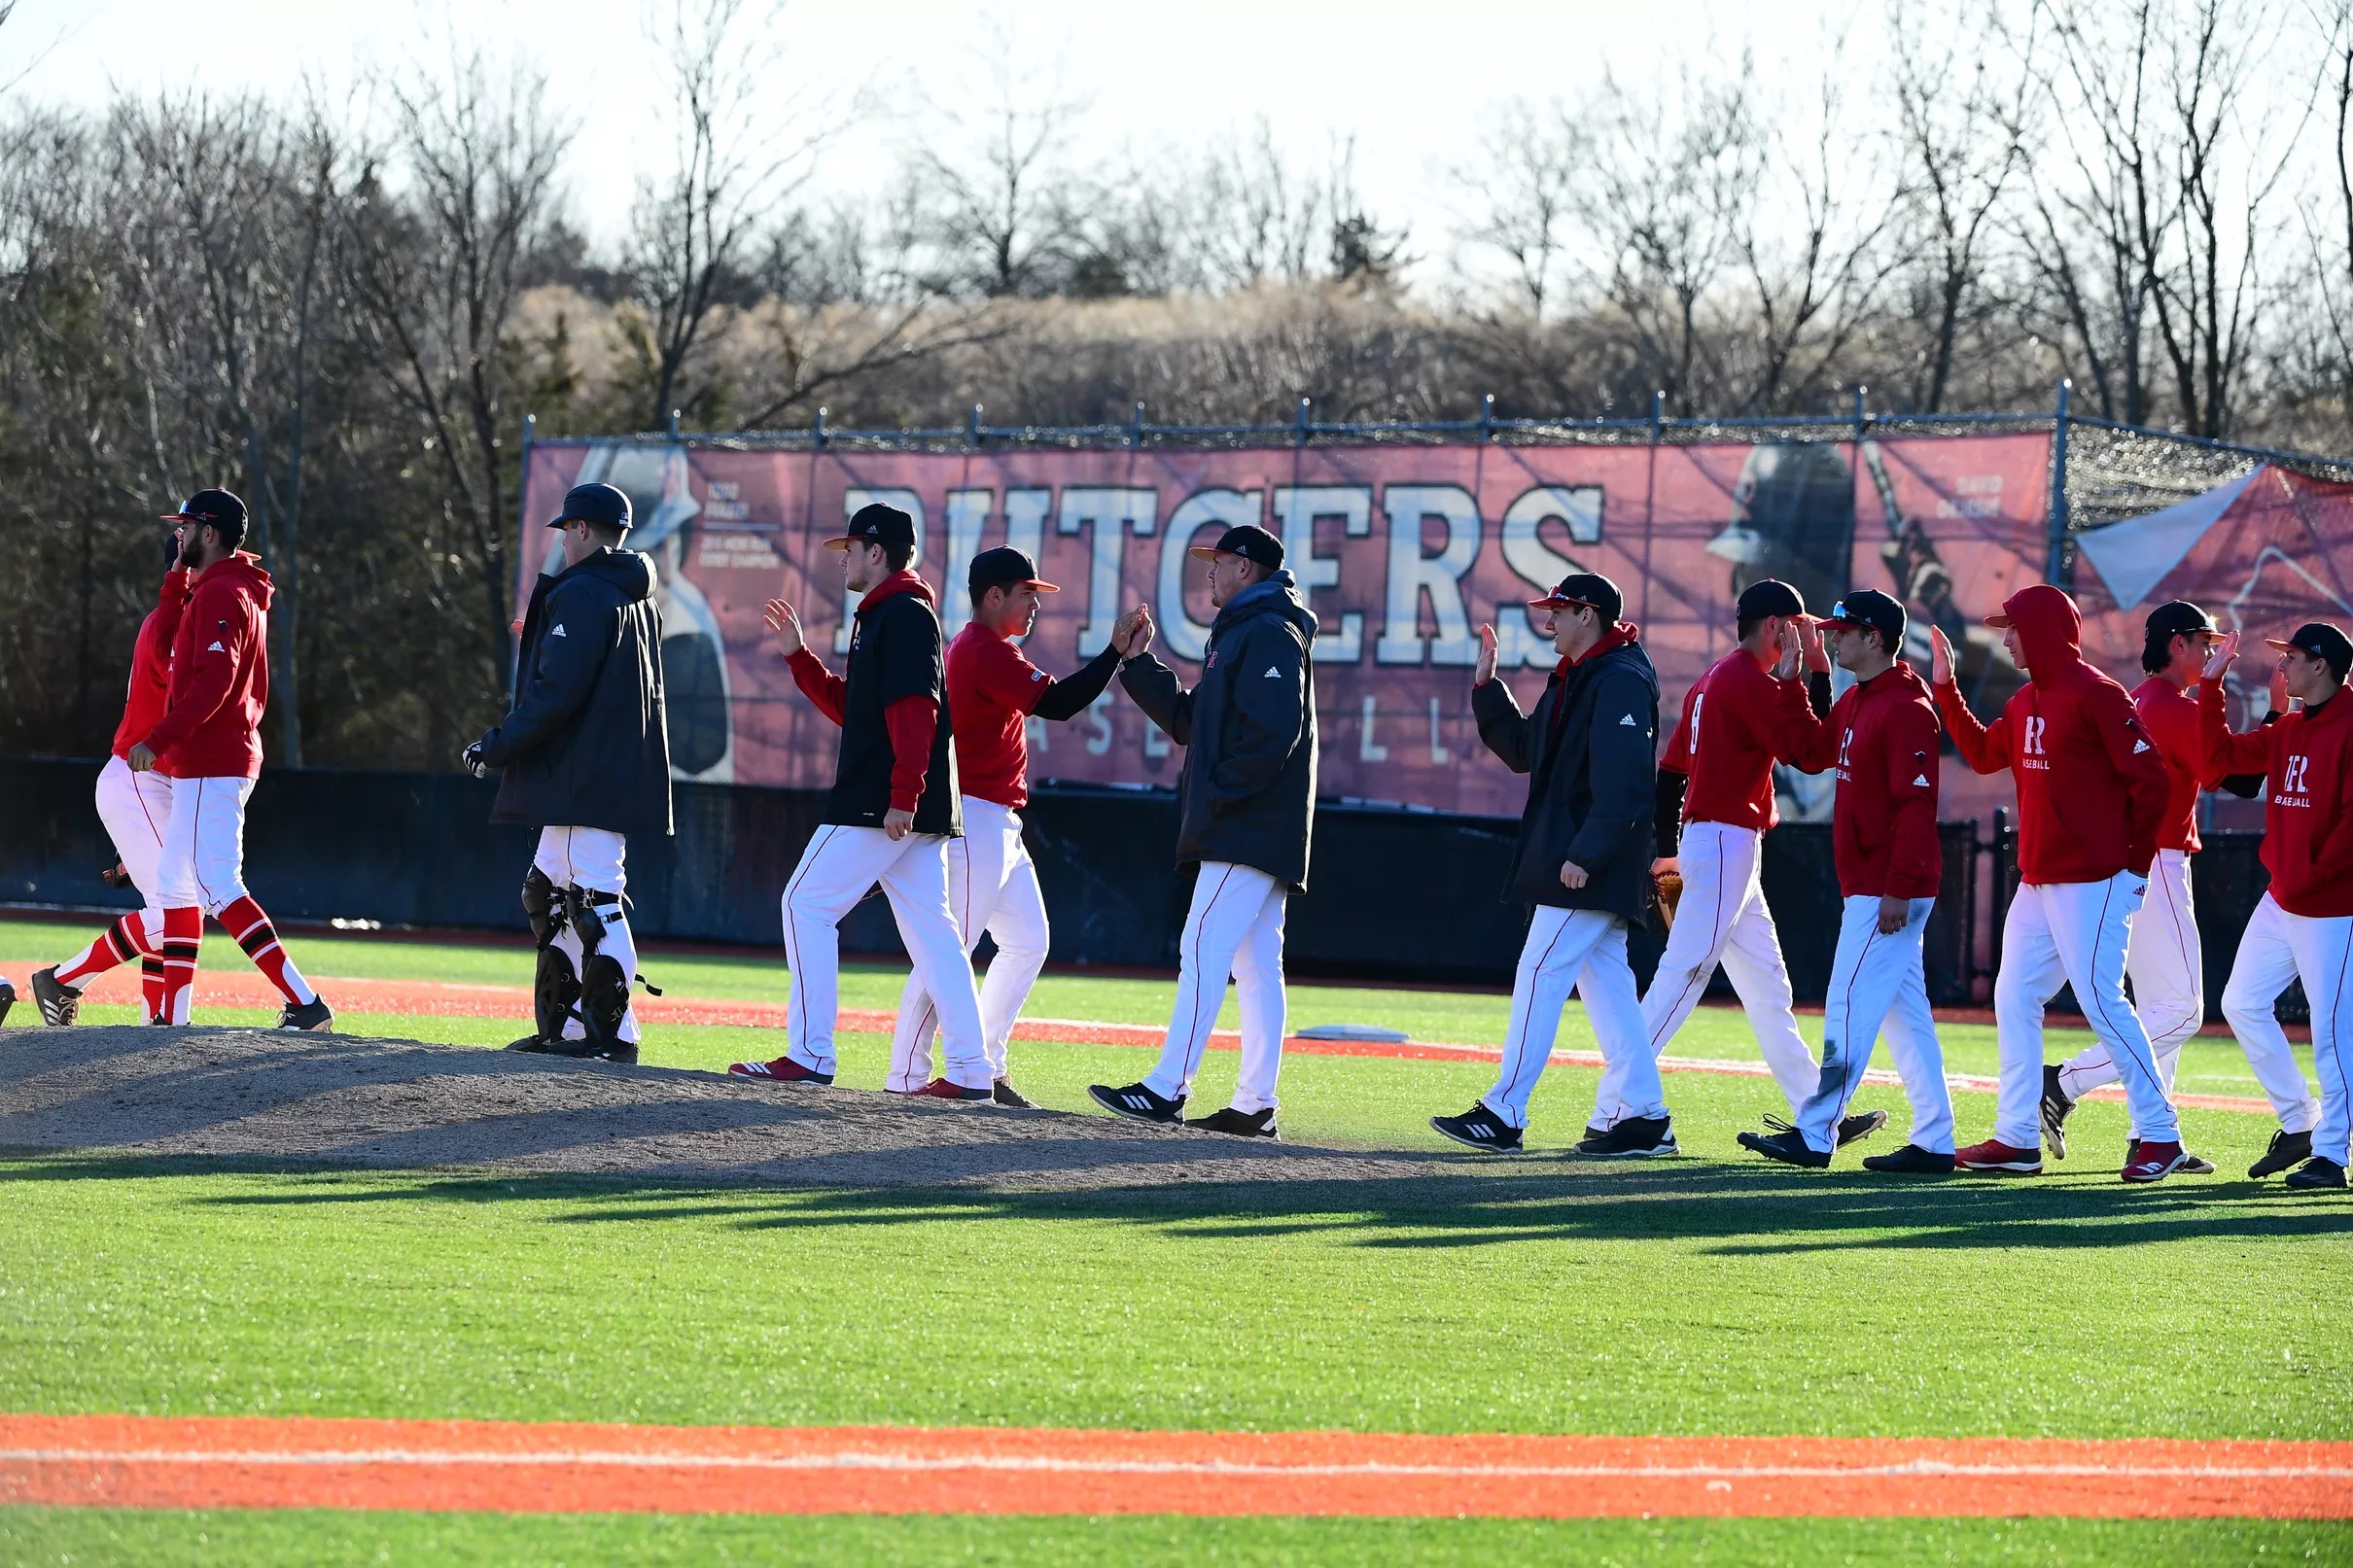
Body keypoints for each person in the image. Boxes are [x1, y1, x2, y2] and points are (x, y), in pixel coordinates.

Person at [728, 502, 995, 1100]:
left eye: (851, 548)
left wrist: (904, 793)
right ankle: (974, 1071)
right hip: (908, 804)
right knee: (935, 937)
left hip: (885, 801)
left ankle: (810, 1054)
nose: (843, 557)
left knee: (804, 904)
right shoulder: (886, 612)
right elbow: (859, 712)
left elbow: (916, 709)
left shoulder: (900, 611)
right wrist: (800, 658)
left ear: (878, 553)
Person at [1928, 583, 2188, 1181]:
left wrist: (2132, 869)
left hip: (2095, 879)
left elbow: (2153, 782)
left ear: (2043, 630)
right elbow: (1983, 754)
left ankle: (2161, 1134)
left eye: (2015, 628)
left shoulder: (2097, 693)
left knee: (2101, 999)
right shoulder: (2025, 701)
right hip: (2039, 879)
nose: (2008, 639)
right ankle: (2018, 1140)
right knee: (2014, 997)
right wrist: (1945, 688)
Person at [1632, 579, 1885, 1152]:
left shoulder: (1716, 676)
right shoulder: (1747, 679)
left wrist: (1668, 845)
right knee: (1686, 972)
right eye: (1797, 624)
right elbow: (1811, 750)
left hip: (1723, 842)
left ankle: (1815, 1112)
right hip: (1725, 840)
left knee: (1769, 989)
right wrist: (1815, 676)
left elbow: (1671, 771)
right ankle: (1620, 1107)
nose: (1807, 634)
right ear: (1775, 627)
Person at [1087, 523, 1317, 1138]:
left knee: (1202, 946)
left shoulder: (1268, 628)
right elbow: (1191, 721)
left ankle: (1167, 1088)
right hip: (1254, 824)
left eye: (1217, 562)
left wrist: (1220, 798)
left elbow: (1275, 732)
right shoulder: (1246, 629)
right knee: (1257, 962)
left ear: (1247, 568)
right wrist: (1138, 665)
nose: (1208, 572)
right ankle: (1255, 1104)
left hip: (1246, 825)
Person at [1429, 573, 1668, 1155]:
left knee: (1539, 972)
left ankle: (1505, 1111)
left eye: (1557, 610)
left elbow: (1629, 786)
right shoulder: (1579, 676)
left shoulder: (1620, 678)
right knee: (1609, 989)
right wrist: (1489, 689)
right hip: (1578, 857)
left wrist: (1586, 854)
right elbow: (1524, 751)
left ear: (1588, 615)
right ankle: (1645, 1116)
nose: (1548, 620)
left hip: (1591, 861)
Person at [887, 546, 1130, 1106]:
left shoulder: (987, 649)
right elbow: (1062, 703)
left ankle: (986, 1066)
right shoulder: (984, 649)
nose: (1035, 605)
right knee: (950, 948)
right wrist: (1115, 651)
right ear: (993, 595)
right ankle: (908, 1077)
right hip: (973, 816)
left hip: (998, 820)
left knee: (1027, 942)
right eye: (1027, 593)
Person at [1734, 589, 1956, 1172]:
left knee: (1849, 1005)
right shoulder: (1862, 698)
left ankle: (1814, 1133)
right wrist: (1790, 680)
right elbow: (1808, 752)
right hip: (1873, 882)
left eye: (1843, 629)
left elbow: (1916, 806)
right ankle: (1935, 1140)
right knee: (1907, 1021)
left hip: (1889, 886)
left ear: (1874, 637)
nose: (1831, 637)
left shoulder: (1907, 705)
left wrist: (1899, 887)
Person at [101, 490, 330, 1030]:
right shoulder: (222, 588)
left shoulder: (224, 592)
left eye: (185, 528)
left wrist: (159, 739)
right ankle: (171, 1019)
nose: (177, 536)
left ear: (209, 532)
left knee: (217, 885)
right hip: (209, 760)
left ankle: (304, 1000)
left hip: (212, 757)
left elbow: (214, 683)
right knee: (179, 886)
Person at [466, 481, 672, 1065]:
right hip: (595, 769)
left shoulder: (585, 593)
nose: (561, 542)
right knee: (550, 891)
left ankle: (617, 1034)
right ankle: (574, 1031)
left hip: (587, 772)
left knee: (595, 897)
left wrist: (497, 744)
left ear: (581, 529)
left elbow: (558, 692)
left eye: (565, 531)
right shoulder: (630, 594)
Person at [2040, 601, 2250, 1172]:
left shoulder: (2135, 698)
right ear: (2176, 645)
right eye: (2203, 643)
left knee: (2159, 1007)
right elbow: (2236, 777)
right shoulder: (2170, 706)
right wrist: (2270, 710)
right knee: (2183, 1012)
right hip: (2155, 859)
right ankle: (2063, 1081)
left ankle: (2151, 1136)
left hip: (2125, 857)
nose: (2209, 653)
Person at [2197, 624, 2348, 1189]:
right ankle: (2301, 1122)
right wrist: (2211, 689)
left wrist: (2310, 878)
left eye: (2293, 659)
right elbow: (2218, 765)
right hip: (2285, 898)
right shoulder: (2287, 728)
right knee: (2240, 1002)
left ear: (2323, 665)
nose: (2282, 668)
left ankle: (2333, 1155)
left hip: (2334, 907)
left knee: (2335, 1034)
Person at [28, 524, 191, 1025]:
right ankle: (63, 980)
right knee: (176, 912)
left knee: (171, 911)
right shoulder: (175, 621)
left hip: (146, 785)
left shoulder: (176, 620)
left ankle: (154, 1018)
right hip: (137, 778)